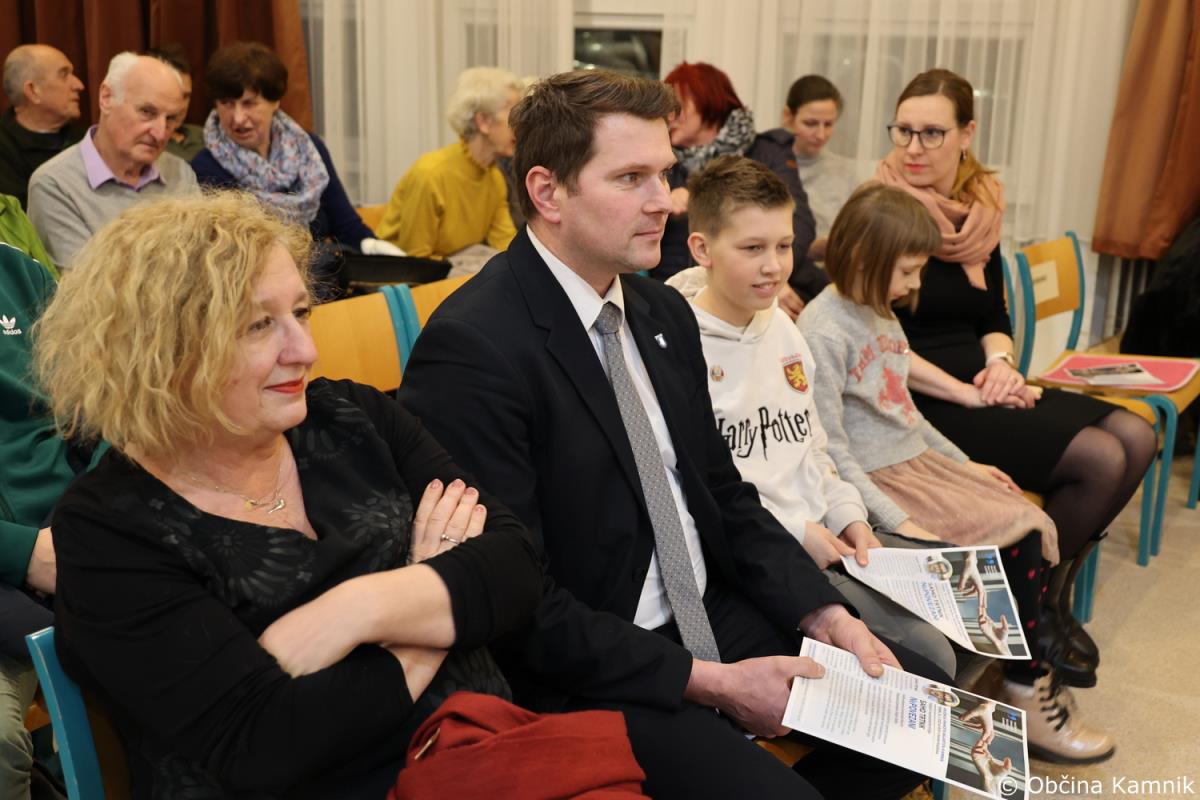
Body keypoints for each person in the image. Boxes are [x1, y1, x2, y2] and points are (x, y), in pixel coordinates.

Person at [400, 68, 951, 800]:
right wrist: (712, 683)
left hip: (706, 606)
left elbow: (724, 492)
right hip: (595, 661)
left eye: (664, 172)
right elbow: (517, 601)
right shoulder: (474, 348)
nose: (665, 198)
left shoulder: (660, 314)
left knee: (925, 712)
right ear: (547, 192)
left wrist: (821, 612)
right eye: (631, 177)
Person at [32, 192, 542, 799]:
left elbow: (516, 570)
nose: (305, 350)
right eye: (259, 325)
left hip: (496, 756)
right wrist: (437, 599)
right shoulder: (108, 530)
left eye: (301, 312)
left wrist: (358, 609)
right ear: (165, 351)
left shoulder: (354, 416)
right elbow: (268, 742)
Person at [797, 182, 1115, 764]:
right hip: (880, 482)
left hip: (916, 463)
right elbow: (832, 450)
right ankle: (1024, 683)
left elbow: (905, 412)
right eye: (908, 271)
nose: (915, 284)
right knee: (1017, 536)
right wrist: (895, 518)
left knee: (1020, 511)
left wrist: (967, 466)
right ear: (865, 258)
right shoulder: (823, 328)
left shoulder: (880, 313)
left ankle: (1022, 667)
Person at [878, 68, 1155, 687]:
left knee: (1138, 434)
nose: (913, 148)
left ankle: (1048, 599)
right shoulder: (882, 210)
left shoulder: (980, 211)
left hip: (981, 380)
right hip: (922, 398)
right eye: (903, 131)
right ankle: (1040, 611)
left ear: (966, 134)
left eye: (931, 133)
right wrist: (971, 389)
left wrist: (1001, 365)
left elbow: (993, 315)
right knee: (1101, 458)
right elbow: (875, 342)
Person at [664, 154, 955, 677]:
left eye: (783, 245)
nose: (774, 266)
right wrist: (798, 531)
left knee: (952, 611)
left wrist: (850, 515)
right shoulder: (679, 347)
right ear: (702, 249)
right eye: (752, 248)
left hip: (827, 531)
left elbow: (813, 445)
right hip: (766, 551)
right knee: (930, 655)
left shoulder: (784, 329)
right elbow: (703, 494)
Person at [0, 240, 88, 800]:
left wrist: (79, 520)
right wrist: (21, 550)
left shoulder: (18, 270)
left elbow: (108, 409)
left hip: (74, 538)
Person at [190, 42, 399, 259]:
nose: (238, 118)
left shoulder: (308, 149)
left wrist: (377, 250)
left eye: (249, 103)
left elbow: (347, 228)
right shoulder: (205, 168)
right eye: (226, 104)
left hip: (328, 272)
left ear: (275, 102)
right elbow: (236, 255)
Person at [659, 61, 826, 316]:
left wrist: (770, 277)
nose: (670, 116)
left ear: (708, 101)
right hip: (681, 298)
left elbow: (799, 220)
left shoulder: (767, 151)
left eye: (679, 106)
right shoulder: (663, 163)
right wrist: (663, 207)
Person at [26, 52, 198, 268]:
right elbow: (86, 283)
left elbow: (202, 265)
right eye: (147, 112)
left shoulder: (180, 172)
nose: (161, 133)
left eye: (171, 118)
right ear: (106, 98)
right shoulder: (55, 184)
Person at [376, 67, 521, 268]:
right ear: (484, 122)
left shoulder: (494, 178)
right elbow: (416, 261)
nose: (522, 126)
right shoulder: (431, 174)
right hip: (398, 277)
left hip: (450, 274)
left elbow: (507, 247)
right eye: (514, 115)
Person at [779, 74, 858, 259]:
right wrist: (806, 249)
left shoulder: (845, 171)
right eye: (811, 123)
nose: (821, 135)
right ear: (788, 116)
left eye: (828, 124)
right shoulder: (771, 165)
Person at [0, 44, 85, 209]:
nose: (78, 85)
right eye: (64, 75)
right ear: (33, 91)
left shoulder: (87, 140)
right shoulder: (4, 152)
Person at [145, 43, 206, 161]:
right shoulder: (146, 143)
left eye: (186, 96)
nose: (181, 106)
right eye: (172, 95)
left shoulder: (208, 135)